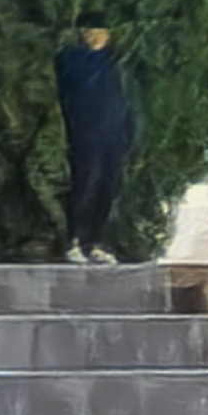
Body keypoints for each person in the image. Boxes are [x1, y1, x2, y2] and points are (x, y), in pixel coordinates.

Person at [54, 18, 141, 260]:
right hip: (85, 134)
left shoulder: (115, 64)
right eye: (89, 32)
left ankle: (94, 242)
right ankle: (74, 240)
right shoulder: (72, 60)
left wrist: (126, 133)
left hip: (112, 137)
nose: (94, 37)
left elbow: (125, 101)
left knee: (107, 187)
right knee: (85, 184)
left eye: (99, 32)